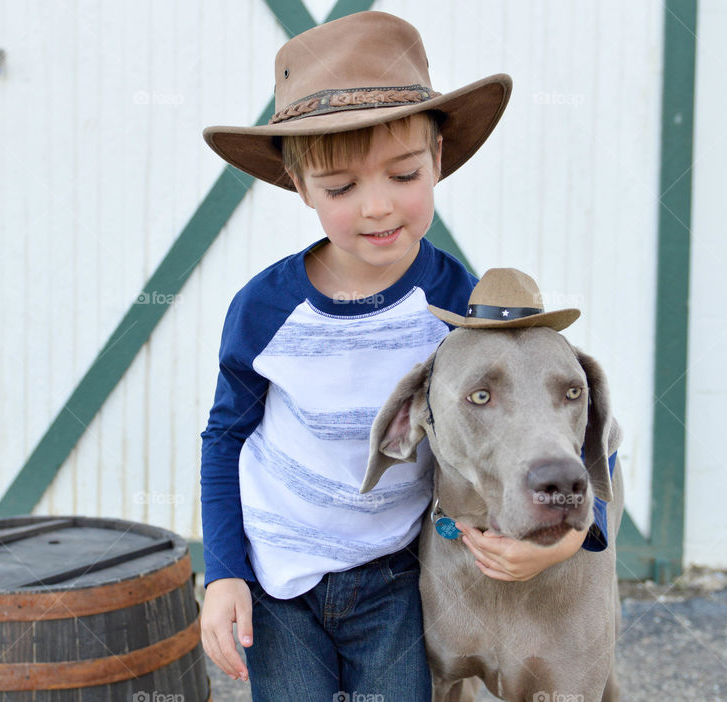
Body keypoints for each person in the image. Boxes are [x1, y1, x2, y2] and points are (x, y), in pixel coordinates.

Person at [198, 11, 610, 701]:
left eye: (404, 173)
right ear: (299, 188)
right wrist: (224, 573)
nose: (378, 207)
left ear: (438, 160)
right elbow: (224, 438)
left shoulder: (456, 303)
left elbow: (557, 413)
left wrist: (578, 536)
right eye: (340, 188)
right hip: (279, 574)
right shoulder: (265, 311)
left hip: (394, 575)